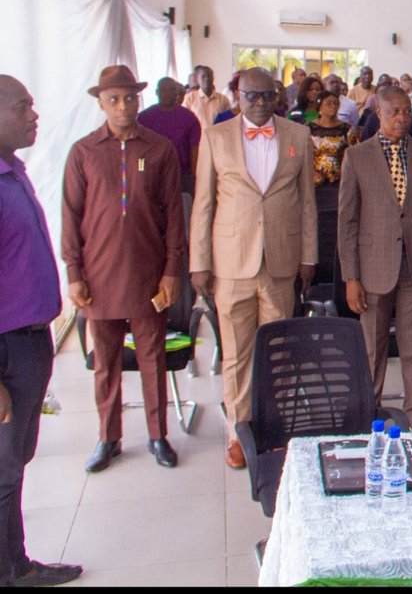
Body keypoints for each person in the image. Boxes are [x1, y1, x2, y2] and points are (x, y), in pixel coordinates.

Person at [190, 68, 317, 468]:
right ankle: (237, 432)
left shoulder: (297, 136)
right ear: (237, 96)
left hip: (280, 261)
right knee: (237, 355)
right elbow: (203, 205)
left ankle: (274, 429)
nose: (259, 103)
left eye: (267, 96)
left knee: (277, 354)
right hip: (231, 263)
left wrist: (309, 256)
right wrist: (199, 263)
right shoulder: (215, 137)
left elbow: (308, 202)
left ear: (278, 97)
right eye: (251, 96)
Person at [62, 66, 184, 472]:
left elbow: (173, 220)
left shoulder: (160, 148)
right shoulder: (83, 152)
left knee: (153, 357)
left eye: (129, 98)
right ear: (100, 102)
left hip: (149, 275)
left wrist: (171, 272)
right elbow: (71, 216)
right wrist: (74, 273)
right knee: (106, 363)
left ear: (138, 99)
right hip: (98, 277)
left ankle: (157, 435)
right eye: (113, 99)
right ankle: (108, 438)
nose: (122, 106)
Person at [0, 76, 84, 587]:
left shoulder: (13, 171)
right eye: (21, 106)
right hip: (7, 348)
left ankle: (18, 562)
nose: (34, 114)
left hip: (30, 340)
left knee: (16, 465)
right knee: (4, 472)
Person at [339, 87, 412, 424]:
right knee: (372, 348)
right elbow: (348, 221)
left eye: (406, 112)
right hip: (372, 269)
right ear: (379, 115)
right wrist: (351, 278)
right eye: (393, 113)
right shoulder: (357, 157)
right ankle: (369, 412)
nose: (401, 118)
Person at [137, 77, 201, 197]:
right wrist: (140, 172)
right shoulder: (144, 118)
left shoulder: (189, 118)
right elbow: (138, 150)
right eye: (163, 90)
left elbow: (194, 149)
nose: (167, 93)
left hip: (182, 176)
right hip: (152, 176)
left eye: (171, 89)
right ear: (157, 92)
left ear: (176, 93)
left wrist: (194, 177)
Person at [181, 65, 230, 130]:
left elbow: (228, 122)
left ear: (213, 78)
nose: (207, 79)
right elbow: (184, 121)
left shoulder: (223, 99)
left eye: (209, 76)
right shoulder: (189, 98)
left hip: (218, 137)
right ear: (197, 80)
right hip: (198, 138)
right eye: (203, 77)